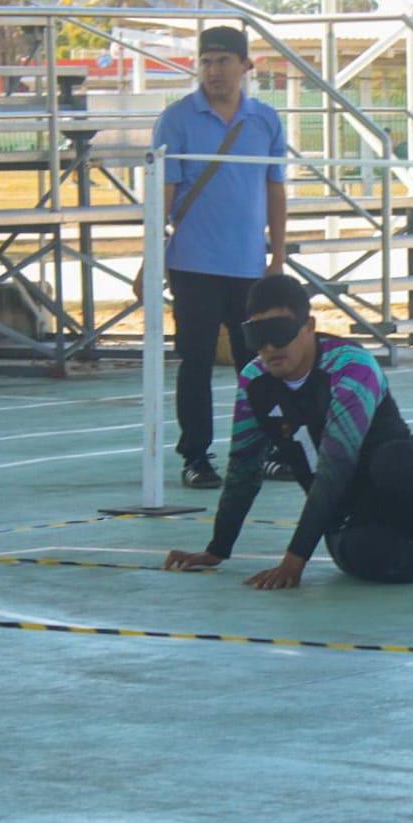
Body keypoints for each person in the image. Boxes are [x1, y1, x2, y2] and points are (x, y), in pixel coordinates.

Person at [163, 275, 413, 588]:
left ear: (309, 327)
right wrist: (216, 549)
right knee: (359, 556)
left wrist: (295, 559)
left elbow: (336, 468)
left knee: (393, 458)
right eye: (257, 336)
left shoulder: (350, 367)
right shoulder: (254, 381)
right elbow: (243, 469)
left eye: (280, 334)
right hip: (352, 520)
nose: (269, 348)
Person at [140, 25, 290, 490]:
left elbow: (275, 188)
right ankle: (196, 457)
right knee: (196, 361)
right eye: (206, 61)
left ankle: (265, 448)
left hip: (248, 265)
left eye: (224, 61)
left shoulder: (265, 121)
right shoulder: (177, 119)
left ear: (246, 66)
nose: (213, 70)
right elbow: (162, 193)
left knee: (260, 363)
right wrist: (151, 255)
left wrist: (277, 257)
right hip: (194, 264)